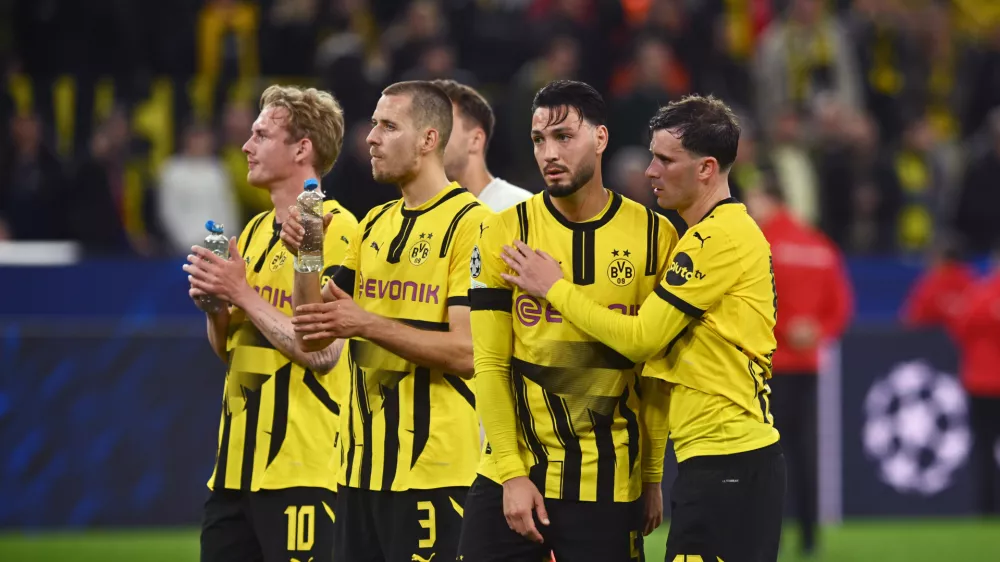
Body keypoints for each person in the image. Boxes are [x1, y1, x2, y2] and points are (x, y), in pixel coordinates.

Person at [501, 94, 786, 562]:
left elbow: (641, 340)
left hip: (729, 460)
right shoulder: (707, 234)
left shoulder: (717, 240)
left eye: (664, 159)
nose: (650, 171)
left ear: (706, 169)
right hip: (718, 459)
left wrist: (555, 289)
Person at [458, 79, 676, 562]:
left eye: (563, 137)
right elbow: (489, 365)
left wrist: (653, 476)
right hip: (510, 475)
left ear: (600, 139)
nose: (548, 153)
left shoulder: (654, 236)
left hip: (609, 480)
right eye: (539, 140)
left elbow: (654, 375)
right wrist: (512, 475)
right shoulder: (503, 231)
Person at [281, 80, 491, 562]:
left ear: (429, 139)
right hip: (358, 472)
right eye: (374, 124)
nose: (371, 137)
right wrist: (308, 254)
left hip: (435, 476)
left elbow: (467, 352)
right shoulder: (374, 223)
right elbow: (312, 334)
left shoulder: (472, 223)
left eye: (388, 126)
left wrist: (367, 323)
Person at [183, 85, 358, 562]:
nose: (246, 144)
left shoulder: (340, 229)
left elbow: (322, 353)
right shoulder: (255, 232)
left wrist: (241, 293)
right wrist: (216, 309)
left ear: (303, 148)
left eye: (262, 134)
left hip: (303, 473)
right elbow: (233, 352)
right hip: (233, 473)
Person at [745, 180, 853, 556]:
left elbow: (751, 305)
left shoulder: (760, 243)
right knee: (804, 453)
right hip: (807, 366)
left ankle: (763, 534)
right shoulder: (819, 245)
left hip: (767, 366)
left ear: (767, 198)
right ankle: (809, 537)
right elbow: (841, 306)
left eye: (754, 198)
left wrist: (784, 330)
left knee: (761, 455)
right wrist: (816, 331)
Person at [432, 78, 533, 211]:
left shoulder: (519, 209)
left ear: (475, 140)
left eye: (440, 126)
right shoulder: (414, 216)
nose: (427, 139)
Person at [951, 247, 1000, 516]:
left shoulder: (978, 294)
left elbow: (961, 328)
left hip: (981, 383)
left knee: (983, 449)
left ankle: (987, 509)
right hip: (983, 382)